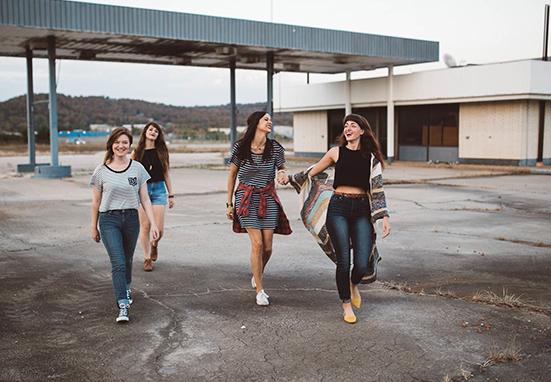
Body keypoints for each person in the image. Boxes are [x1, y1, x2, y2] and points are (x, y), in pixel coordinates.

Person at [282, 114, 390, 323]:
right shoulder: (335, 153)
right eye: (345, 125)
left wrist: (384, 216)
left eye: (353, 125)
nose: (348, 128)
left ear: (362, 131)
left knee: (360, 263)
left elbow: (377, 189)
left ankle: (353, 284)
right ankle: (346, 305)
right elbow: (312, 171)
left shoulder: (371, 158)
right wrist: (290, 178)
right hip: (338, 207)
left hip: (361, 210)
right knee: (343, 261)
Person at [90, 127, 159, 323]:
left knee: (127, 260)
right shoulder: (101, 171)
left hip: (130, 218)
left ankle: (126, 287)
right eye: (117, 142)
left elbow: (145, 199)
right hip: (108, 219)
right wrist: (93, 226)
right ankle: (122, 304)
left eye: (125, 142)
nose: (121, 146)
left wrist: (153, 224)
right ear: (111, 144)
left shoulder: (137, 168)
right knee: (118, 262)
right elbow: (96, 202)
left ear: (130, 145)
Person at [226, 111, 292, 306]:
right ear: (255, 123)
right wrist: (229, 203)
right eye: (266, 119)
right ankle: (260, 289)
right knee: (257, 244)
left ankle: (257, 273)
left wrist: (282, 174)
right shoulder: (240, 147)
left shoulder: (275, 148)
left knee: (268, 247)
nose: (270, 122)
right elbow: (232, 176)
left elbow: (282, 168)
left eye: (270, 119)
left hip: (268, 198)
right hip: (246, 199)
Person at [131, 122, 174, 272]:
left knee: (159, 229)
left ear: (158, 135)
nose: (153, 132)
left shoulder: (162, 151)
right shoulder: (137, 152)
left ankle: (154, 244)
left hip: (159, 190)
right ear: (145, 132)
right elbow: (132, 174)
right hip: (142, 191)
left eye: (156, 131)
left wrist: (171, 194)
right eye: (151, 129)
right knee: (145, 226)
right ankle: (146, 258)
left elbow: (166, 174)